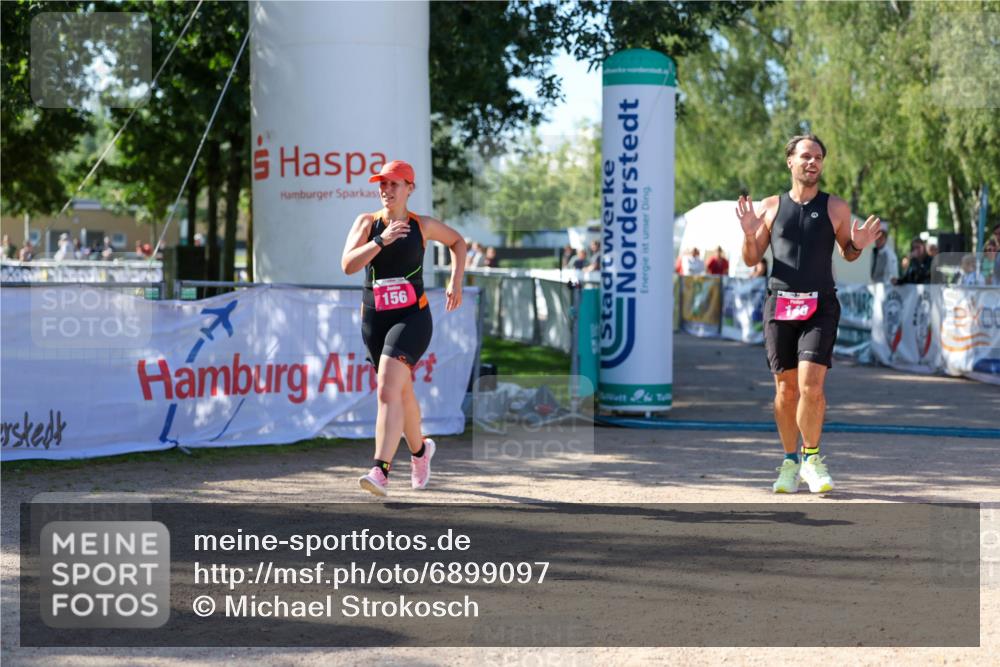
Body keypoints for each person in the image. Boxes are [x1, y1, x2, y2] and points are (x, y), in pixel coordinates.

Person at [735, 134, 881, 494]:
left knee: (811, 388)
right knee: (786, 392)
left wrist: (857, 246)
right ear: (790, 162)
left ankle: (812, 459)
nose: (812, 162)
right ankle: (789, 462)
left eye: (818, 157)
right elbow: (752, 259)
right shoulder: (770, 207)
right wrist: (749, 235)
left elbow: (847, 252)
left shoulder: (837, 208)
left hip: (820, 306)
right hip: (780, 304)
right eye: (805, 156)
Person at [341, 160, 466, 497]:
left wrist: (456, 281)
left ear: (410, 188)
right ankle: (421, 451)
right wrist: (380, 241)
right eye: (382, 184)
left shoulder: (421, 225)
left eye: (394, 184)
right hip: (374, 319)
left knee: (387, 389)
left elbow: (457, 242)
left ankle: (380, 470)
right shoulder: (367, 223)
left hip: (412, 317)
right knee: (401, 391)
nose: (387, 190)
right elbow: (348, 265)